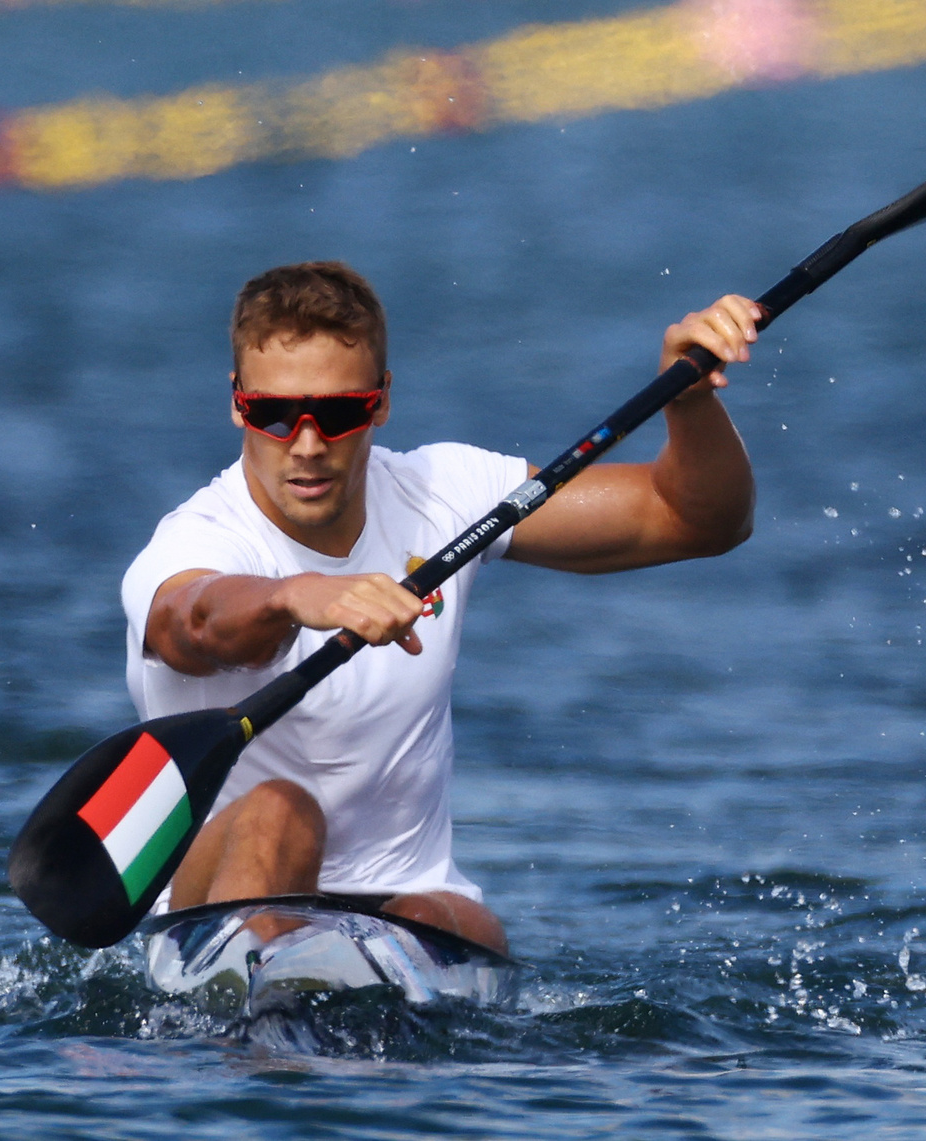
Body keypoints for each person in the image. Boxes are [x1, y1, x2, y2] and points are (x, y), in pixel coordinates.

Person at [122, 262, 756, 955]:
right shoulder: (198, 536)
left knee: (462, 920)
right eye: (275, 414)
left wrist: (689, 405)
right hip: (212, 894)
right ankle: (258, 1007)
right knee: (280, 808)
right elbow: (196, 622)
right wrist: (293, 596)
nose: (306, 443)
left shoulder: (444, 492)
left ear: (382, 400)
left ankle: (344, 989)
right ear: (237, 402)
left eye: (337, 413)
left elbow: (696, 519)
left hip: (395, 905)